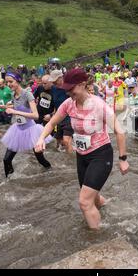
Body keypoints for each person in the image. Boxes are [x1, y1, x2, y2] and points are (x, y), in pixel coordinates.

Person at [35, 68, 130, 230]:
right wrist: (41, 138)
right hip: (82, 156)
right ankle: (108, 208)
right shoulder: (68, 104)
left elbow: (120, 132)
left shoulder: (99, 105)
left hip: (101, 154)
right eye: (66, 90)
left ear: (83, 84)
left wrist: (123, 160)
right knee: (92, 198)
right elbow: (52, 123)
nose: (68, 93)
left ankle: (98, 240)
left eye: (71, 89)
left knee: (84, 202)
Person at [1, 72, 52, 177]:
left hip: (31, 130)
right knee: (6, 159)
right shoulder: (13, 94)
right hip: (18, 130)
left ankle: (50, 171)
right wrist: (2, 107)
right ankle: (9, 182)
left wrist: (15, 112)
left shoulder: (27, 94)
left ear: (18, 81)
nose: (9, 84)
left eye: (11, 81)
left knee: (40, 159)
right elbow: (17, 108)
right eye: (7, 82)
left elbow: (35, 115)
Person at [49, 69, 74, 153]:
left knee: (66, 141)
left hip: (69, 118)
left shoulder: (68, 88)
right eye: (52, 81)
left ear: (61, 78)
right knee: (58, 141)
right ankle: (60, 160)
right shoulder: (53, 88)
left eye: (55, 80)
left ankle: (70, 162)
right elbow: (54, 103)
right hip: (59, 118)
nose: (53, 83)